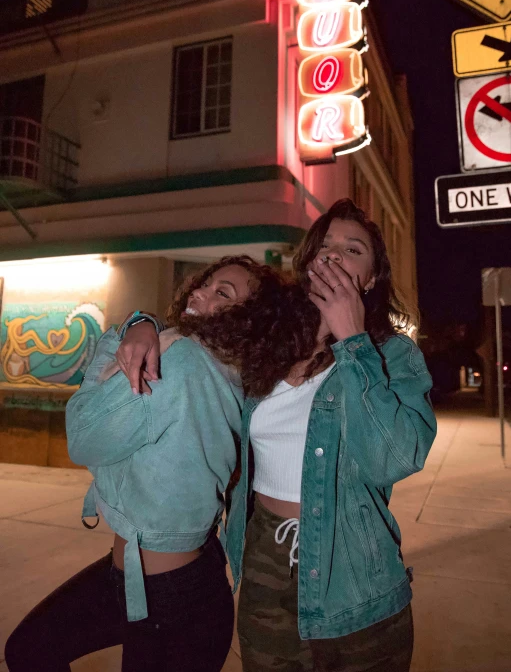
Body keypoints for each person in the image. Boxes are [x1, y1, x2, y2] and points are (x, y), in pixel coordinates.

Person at [113, 199, 437, 672]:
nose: (334, 255)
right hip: (265, 570)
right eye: (324, 245)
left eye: (353, 249)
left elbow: (395, 457)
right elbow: (201, 319)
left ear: (370, 279)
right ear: (307, 262)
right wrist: (142, 324)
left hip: (355, 580)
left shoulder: (392, 356)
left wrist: (352, 341)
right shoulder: (270, 342)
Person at [4, 256, 319, 672]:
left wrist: (115, 340)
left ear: (249, 319)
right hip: (163, 580)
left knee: (29, 650)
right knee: (31, 647)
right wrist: (142, 321)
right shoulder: (227, 369)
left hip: (168, 601)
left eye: (222, 294)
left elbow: (82, 437)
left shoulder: (183, 362)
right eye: (205, 284)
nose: (199, 293)